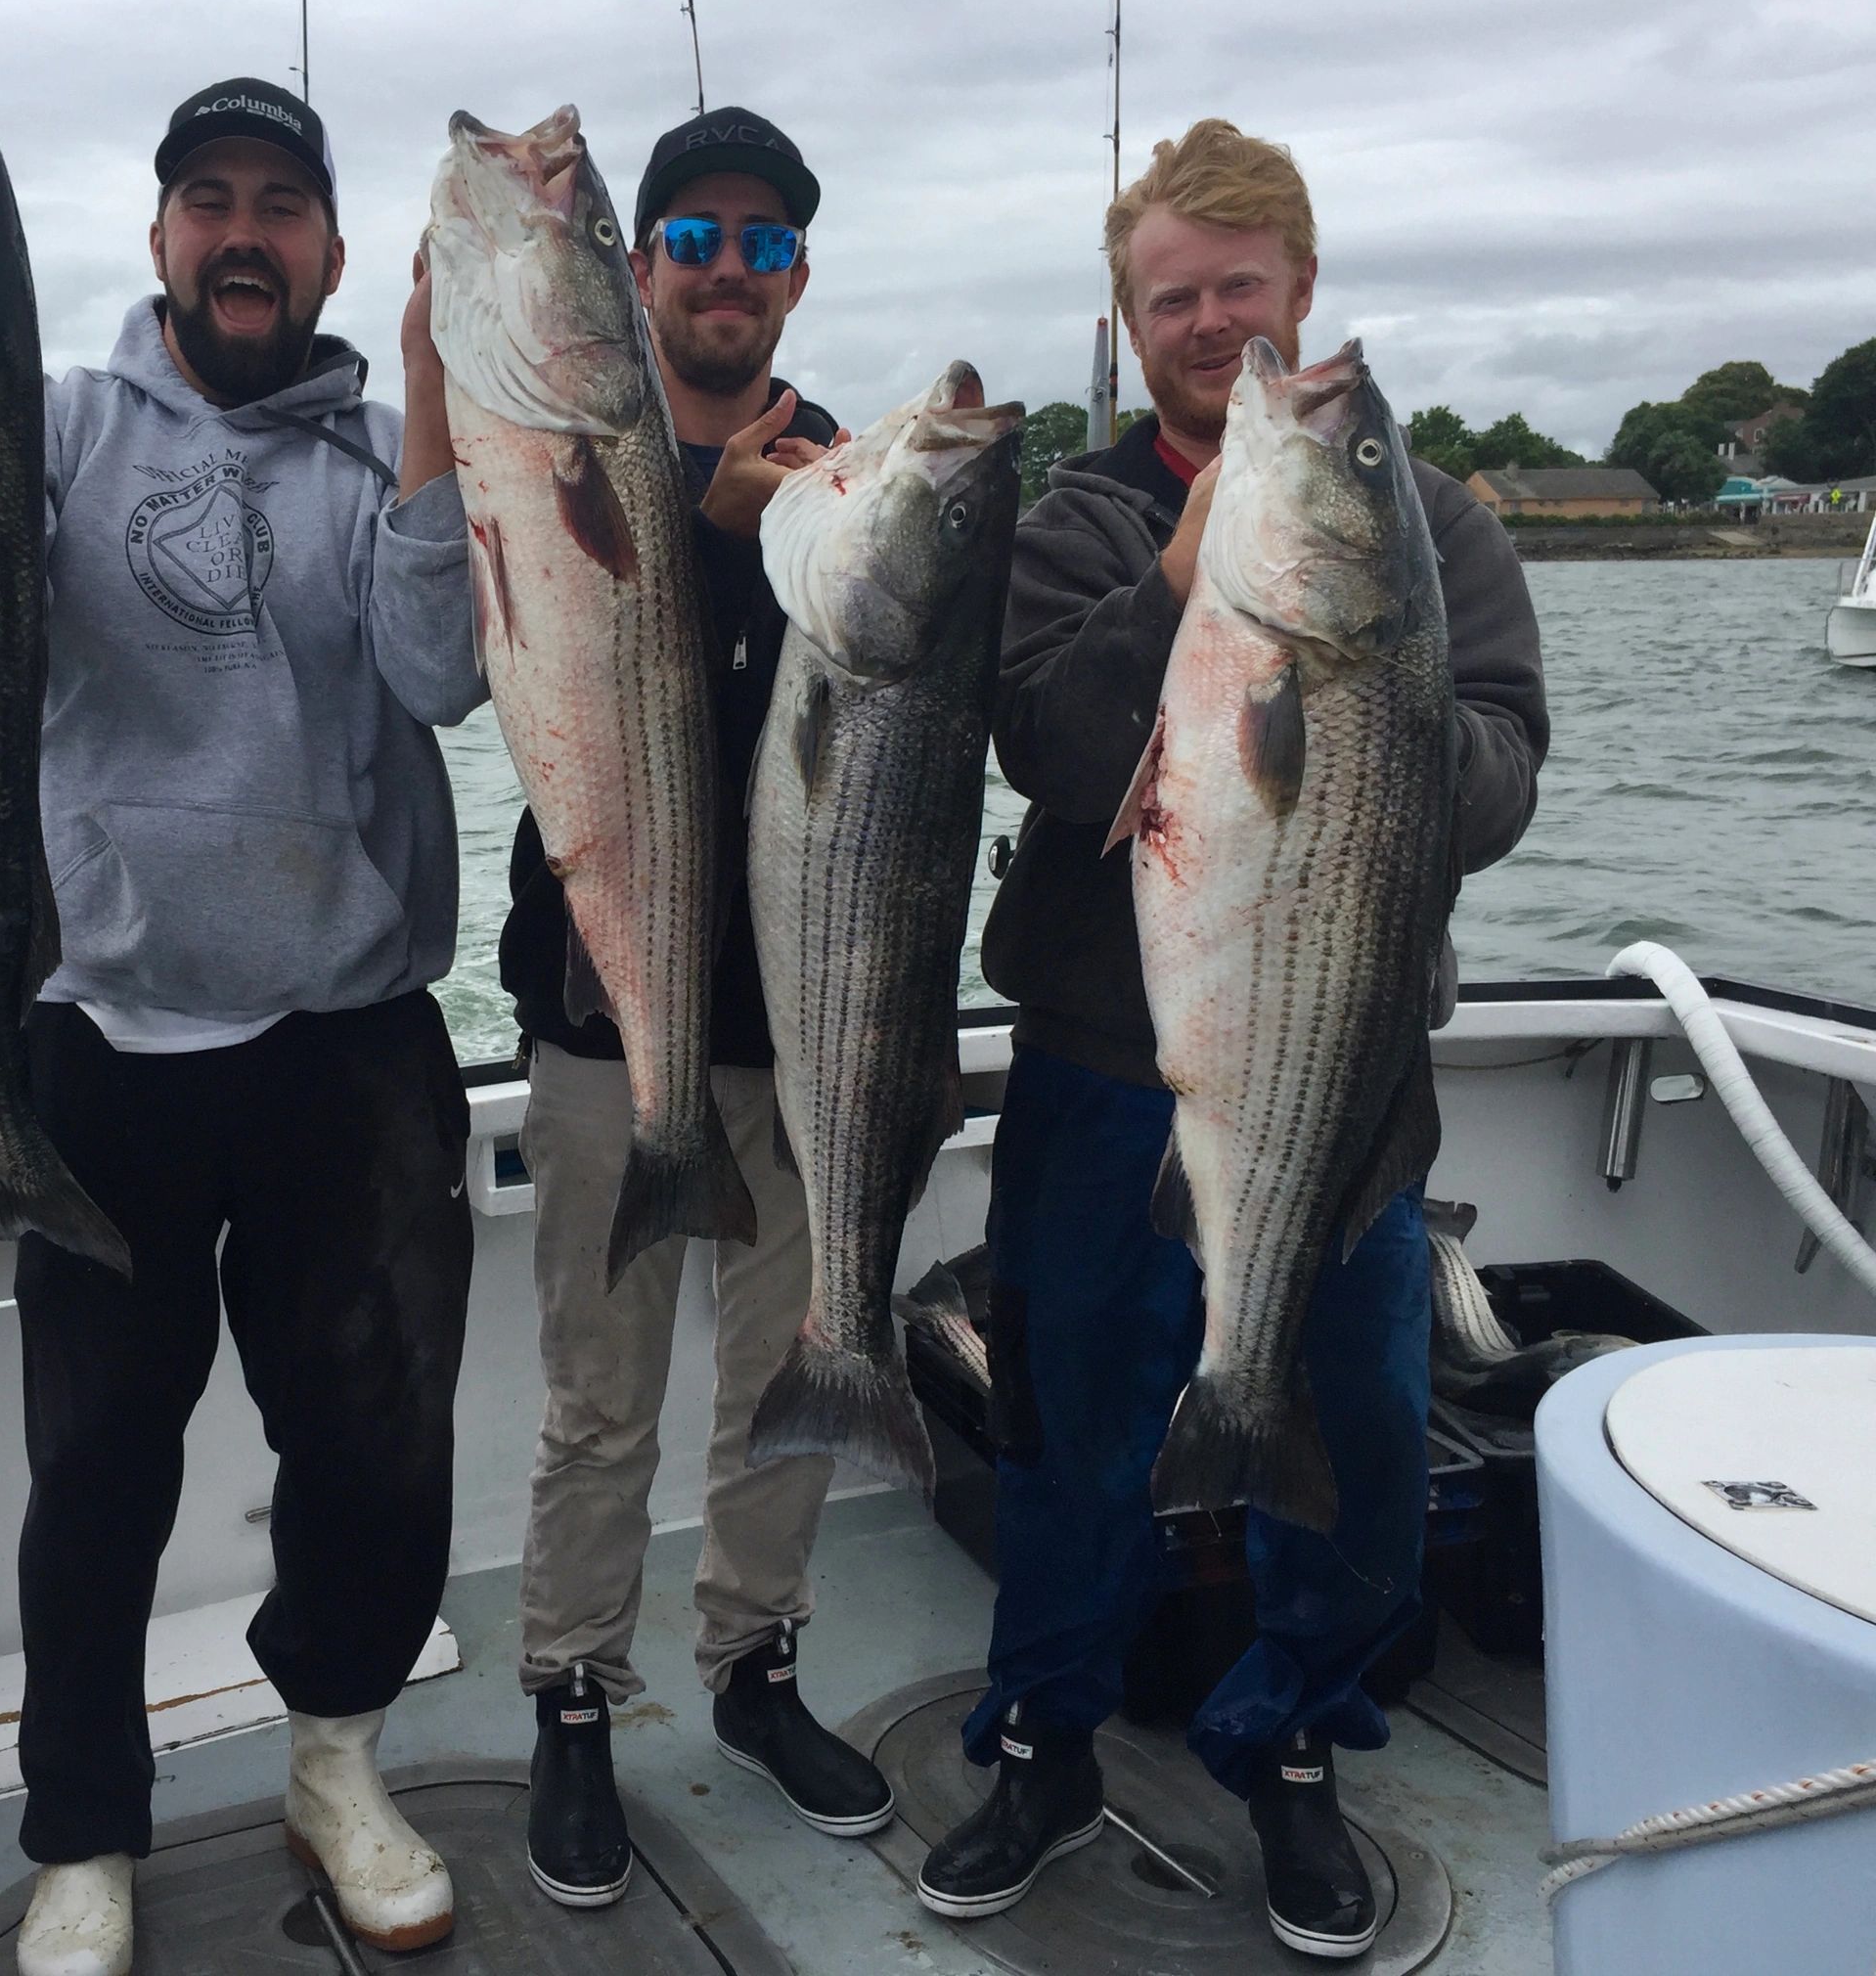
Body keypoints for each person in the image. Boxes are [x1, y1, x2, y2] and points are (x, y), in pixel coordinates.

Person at [916, 119, 1548, 1958]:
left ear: (1302, 290)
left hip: (1347, 1060)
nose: (1210, 322)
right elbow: (1036, 740)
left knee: (1345, 1416)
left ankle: (1289, 1743)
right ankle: (1043, 1740)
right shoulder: (1078, 524)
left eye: (1239, 289)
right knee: (1071, 1423)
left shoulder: (1427, 525)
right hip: (1108, 1066)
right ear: (1133, 321)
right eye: (1172, 295)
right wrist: (1182, 586)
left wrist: (1383, 703)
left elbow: (1503, 768)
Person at [8, 78, 483, 1976]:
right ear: (155, 239)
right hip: (97, 1036)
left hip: (349, 1037)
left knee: (375, 1446)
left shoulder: (385, 450)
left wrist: (442, 399)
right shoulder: (49, 436)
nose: (241, 233)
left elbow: (443, 675)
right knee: (97, 1461)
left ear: (333, 256)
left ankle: (334, 1752)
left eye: (280, 204)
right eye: (206, 198)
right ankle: (81, 1833)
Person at [502, 107, 896, 1909]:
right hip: (605, 1021)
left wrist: (766, 537)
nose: (725, 269)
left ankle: (754, 1668)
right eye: (691, 235)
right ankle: (574, 1692)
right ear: (639, 265)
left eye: (761, 241)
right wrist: (697, 535)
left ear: (797, 274)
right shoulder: (578, 450)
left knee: (786, 1385)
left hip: (809, 1028)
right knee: (599, 1401)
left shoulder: (849, 483)